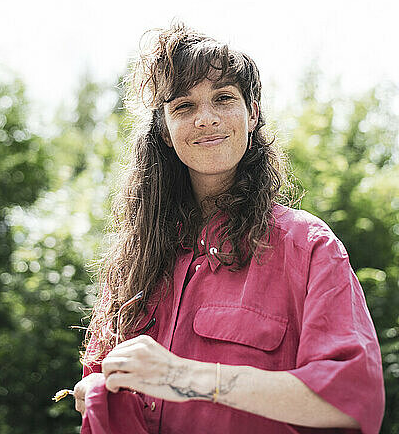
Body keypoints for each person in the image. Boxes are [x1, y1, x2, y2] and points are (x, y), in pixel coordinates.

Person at [73, 22, 385, 434]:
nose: (206, 119)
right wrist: (94, 393)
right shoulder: (134, 257)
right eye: (183, 106)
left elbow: (353, 402)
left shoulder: (308, 247)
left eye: (223, 99)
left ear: (252, 113)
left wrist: (181, 376)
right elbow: (97, 388)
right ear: (165, 130)